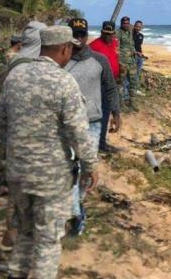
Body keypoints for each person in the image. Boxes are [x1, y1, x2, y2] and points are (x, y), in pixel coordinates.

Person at [0, 25, 99, 279]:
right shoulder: (64, 82)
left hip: (18, 173)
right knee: (48, 241)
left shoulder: (15, 77)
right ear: (64, 49)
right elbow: (78, 131)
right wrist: (90, 165)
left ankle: (15, 274)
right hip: (51, 179)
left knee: (25, 233)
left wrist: (7, 160)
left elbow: (1, 124)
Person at [64, 18, 120, 235]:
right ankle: (72, 209)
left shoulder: (99, 60)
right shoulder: (61, 60)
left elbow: (110, 88)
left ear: (86, 35)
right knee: (69, 167)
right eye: (74, 34)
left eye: (81, 34)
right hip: (67, 124)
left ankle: (78, 208)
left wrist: (115, 113)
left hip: (93, 123)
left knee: (86, 168)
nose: (77, 39)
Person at [89, 21, 120, 153]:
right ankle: (98, 144)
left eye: (111, 34)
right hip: (99, 84)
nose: (108, 37)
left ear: (114, 34)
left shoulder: (114, 43)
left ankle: (101, 142)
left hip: (112, 82)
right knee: (100, 114)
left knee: (107, 114)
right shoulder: (94, 46)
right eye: (106, 34)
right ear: (101, 32)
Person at [117, 16, 140, 105]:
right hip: (122, 62)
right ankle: (121, 104)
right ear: (121, 24)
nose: (126, 25)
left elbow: (131, 45)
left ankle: (132, 103)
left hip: (132, 61)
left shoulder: (130, 32)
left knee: (134, 82)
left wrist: (136, 52)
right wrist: (119, 61)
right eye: (124, 23)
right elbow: (116, 48)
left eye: (127, 23)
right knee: (121, 83)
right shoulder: (118, 33)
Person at [133, 20, 147, 85]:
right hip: (132, 55)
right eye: (137, 26)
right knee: (131, 73)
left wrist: (142, 55)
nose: (138, 28)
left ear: (141, 27)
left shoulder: (141, 35)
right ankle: (127, 90)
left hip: (140, 56)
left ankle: (135, 88)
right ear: (134, 26)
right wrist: (135, 52)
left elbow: (139, 46)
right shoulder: (130, 34)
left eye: (139, 27)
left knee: (138, 72)